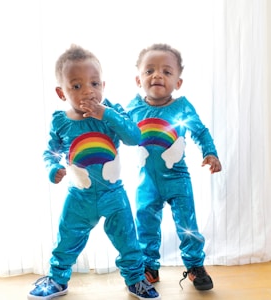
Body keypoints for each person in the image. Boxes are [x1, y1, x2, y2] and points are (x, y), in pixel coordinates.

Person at [27, 44, 160, 300]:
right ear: (61, 92)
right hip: (79, 198)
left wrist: (107, 115)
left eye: (95, 83)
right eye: (76, 86)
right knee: (66, 239)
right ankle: (57, 279)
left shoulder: (112, 112)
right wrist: (53, 167)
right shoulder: (61, 121)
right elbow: (50, 152)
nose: (88, 91)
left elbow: (134, 137)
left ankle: (135, 279)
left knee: (128, 241)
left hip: (114, 195)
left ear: (103, 85)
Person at [126, 43, 222, 291]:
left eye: (167, 72)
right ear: (139, 79)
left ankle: (194, 266)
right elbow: (116, 130)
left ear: (178, 83)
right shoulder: (133, 108)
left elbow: (200, 131)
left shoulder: (182, 107)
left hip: (177, 179)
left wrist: (210, 153)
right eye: (150, 71)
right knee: (145, 222)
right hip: (146, 180)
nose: (157, 75)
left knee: (186, 223)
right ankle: (149, 267)